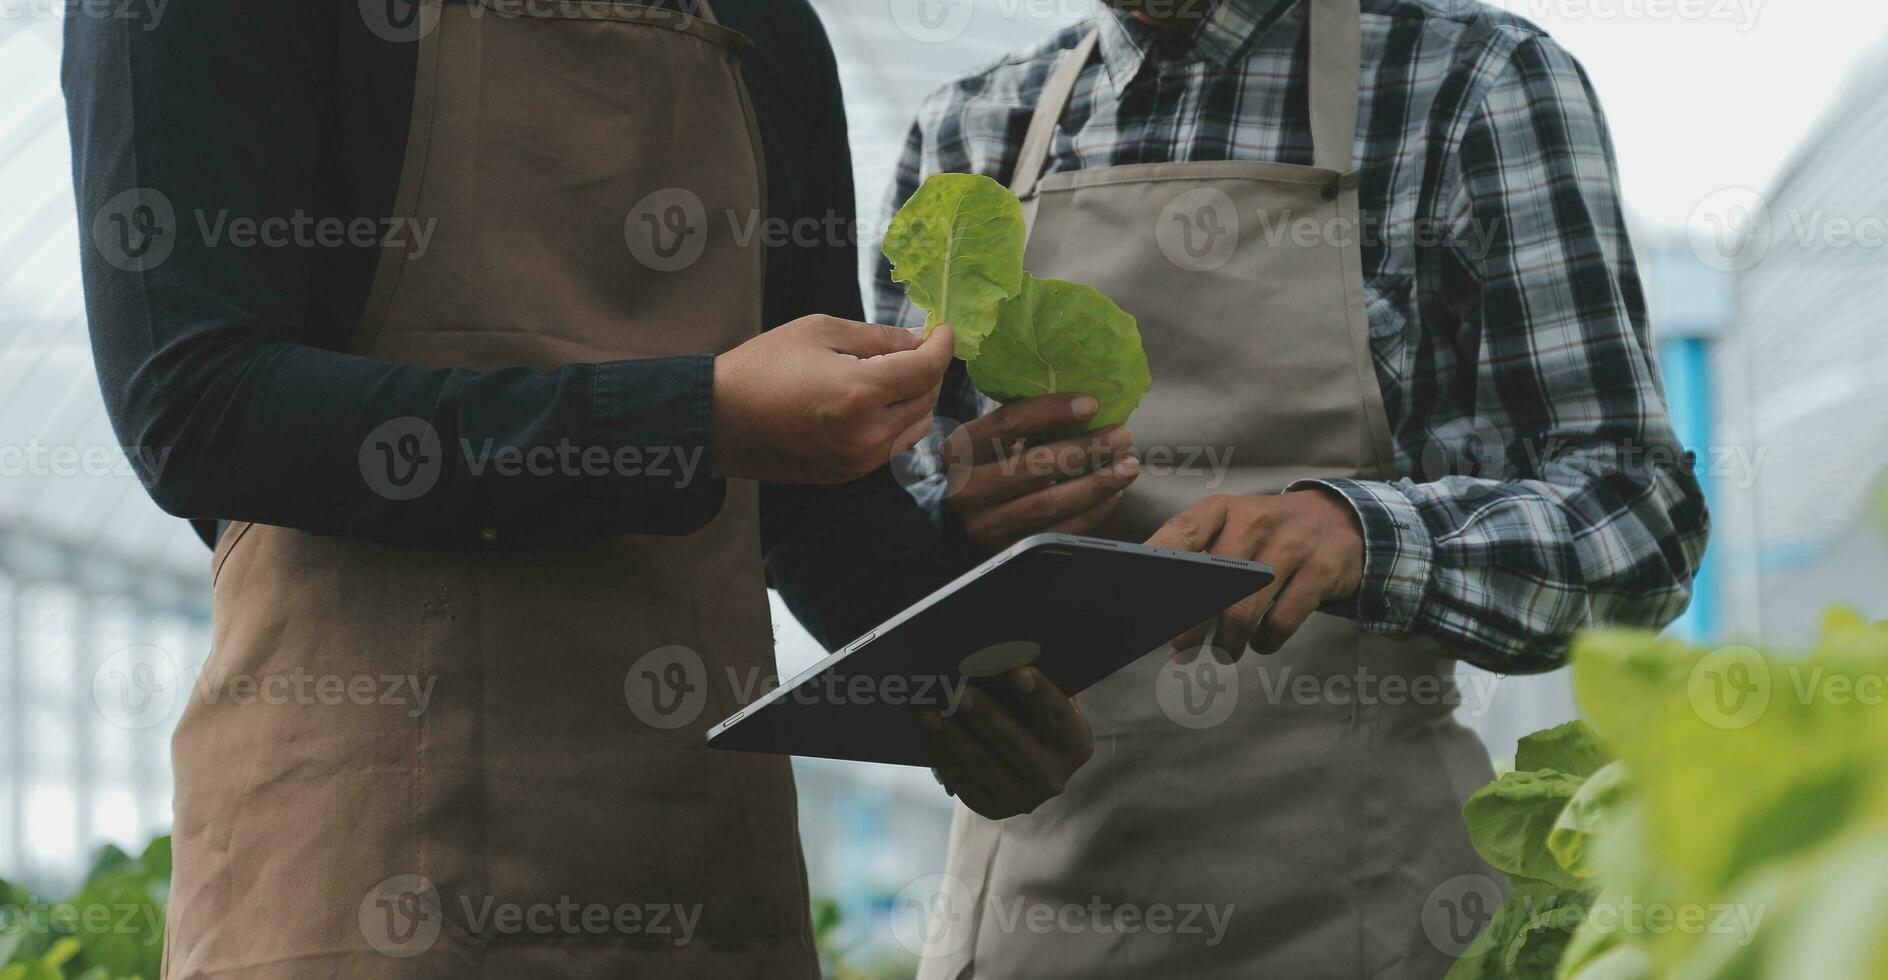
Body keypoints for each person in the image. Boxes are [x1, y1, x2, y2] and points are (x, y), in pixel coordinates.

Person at [64, 0, 1119, 976]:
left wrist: (963, 665)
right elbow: (197, 405)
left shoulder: (759, 26)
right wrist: (691, 417)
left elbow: (810, 499)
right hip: (365, 865)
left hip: (702, 876)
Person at [876, 0, 1710, 975]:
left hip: (1368, 905)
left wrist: (1364, 535)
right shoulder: (974, 127)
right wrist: (951, 522)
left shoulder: (1469, 82)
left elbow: (1635, 514)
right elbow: (882, 551)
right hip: (1026, 914)